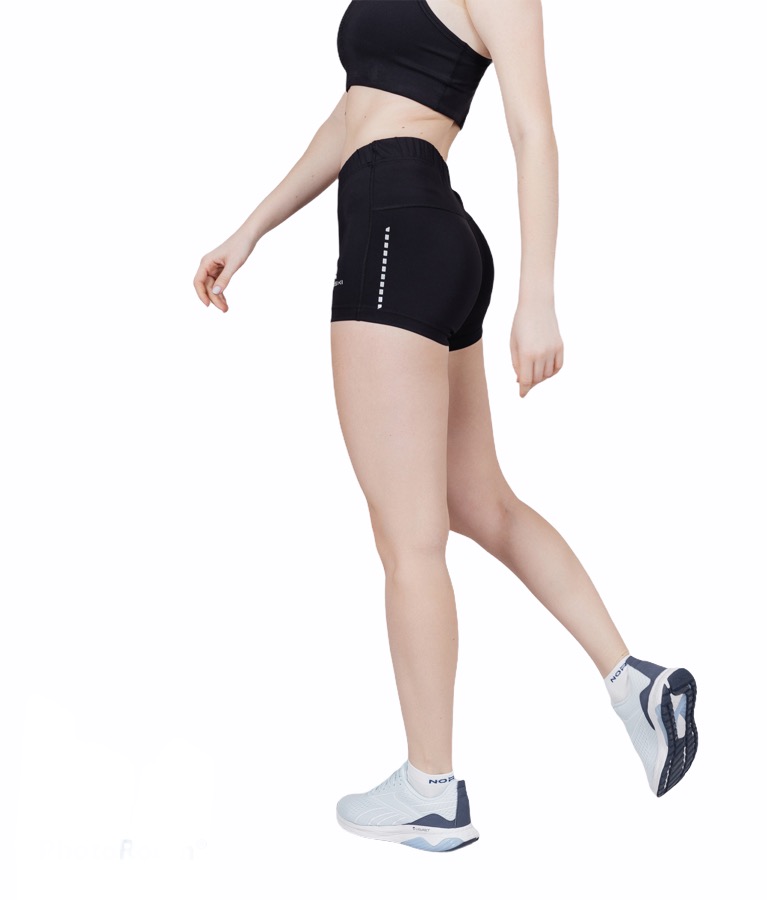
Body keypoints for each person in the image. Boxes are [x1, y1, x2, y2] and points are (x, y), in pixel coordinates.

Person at [193, 0, 698, 853]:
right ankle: (636, 684)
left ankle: (432, 788)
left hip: (397, 226)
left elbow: (534, 131)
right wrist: (252, 229)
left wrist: (539, 299)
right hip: (426, 230)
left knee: (409, 538)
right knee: (479, 502)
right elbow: (351, 116)